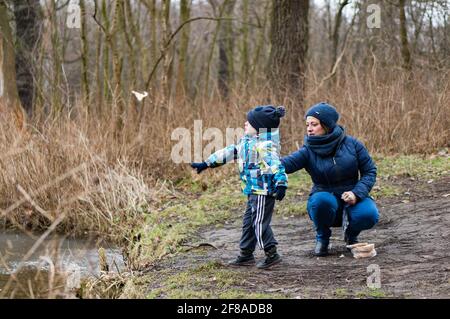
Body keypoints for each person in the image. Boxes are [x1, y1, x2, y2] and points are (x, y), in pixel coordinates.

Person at [191, 105, 288, 269]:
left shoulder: (265, 146)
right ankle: (246, 254)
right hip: (252, 191)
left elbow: (276, 165)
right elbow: (228, 152)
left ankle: (272, 254)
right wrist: (206, 163)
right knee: (248, 223)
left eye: (249, 123)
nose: (245, 124)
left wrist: (281, 183)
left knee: (259, 223)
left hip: (264, 191)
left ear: (258, 129)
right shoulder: (246, 142)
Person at [281, 102, 379, 256]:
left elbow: (370, 171)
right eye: (307, 124)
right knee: (321, 202)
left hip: (352, 196)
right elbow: (284, 164)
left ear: (326, 125)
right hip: (324, 198)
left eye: (314, 124)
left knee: (369, 214)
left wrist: (357, 193)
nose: (309, 128)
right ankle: (322, 238)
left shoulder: (353, 144)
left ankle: (351, 236)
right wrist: (264, 157)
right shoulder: (308, 150)